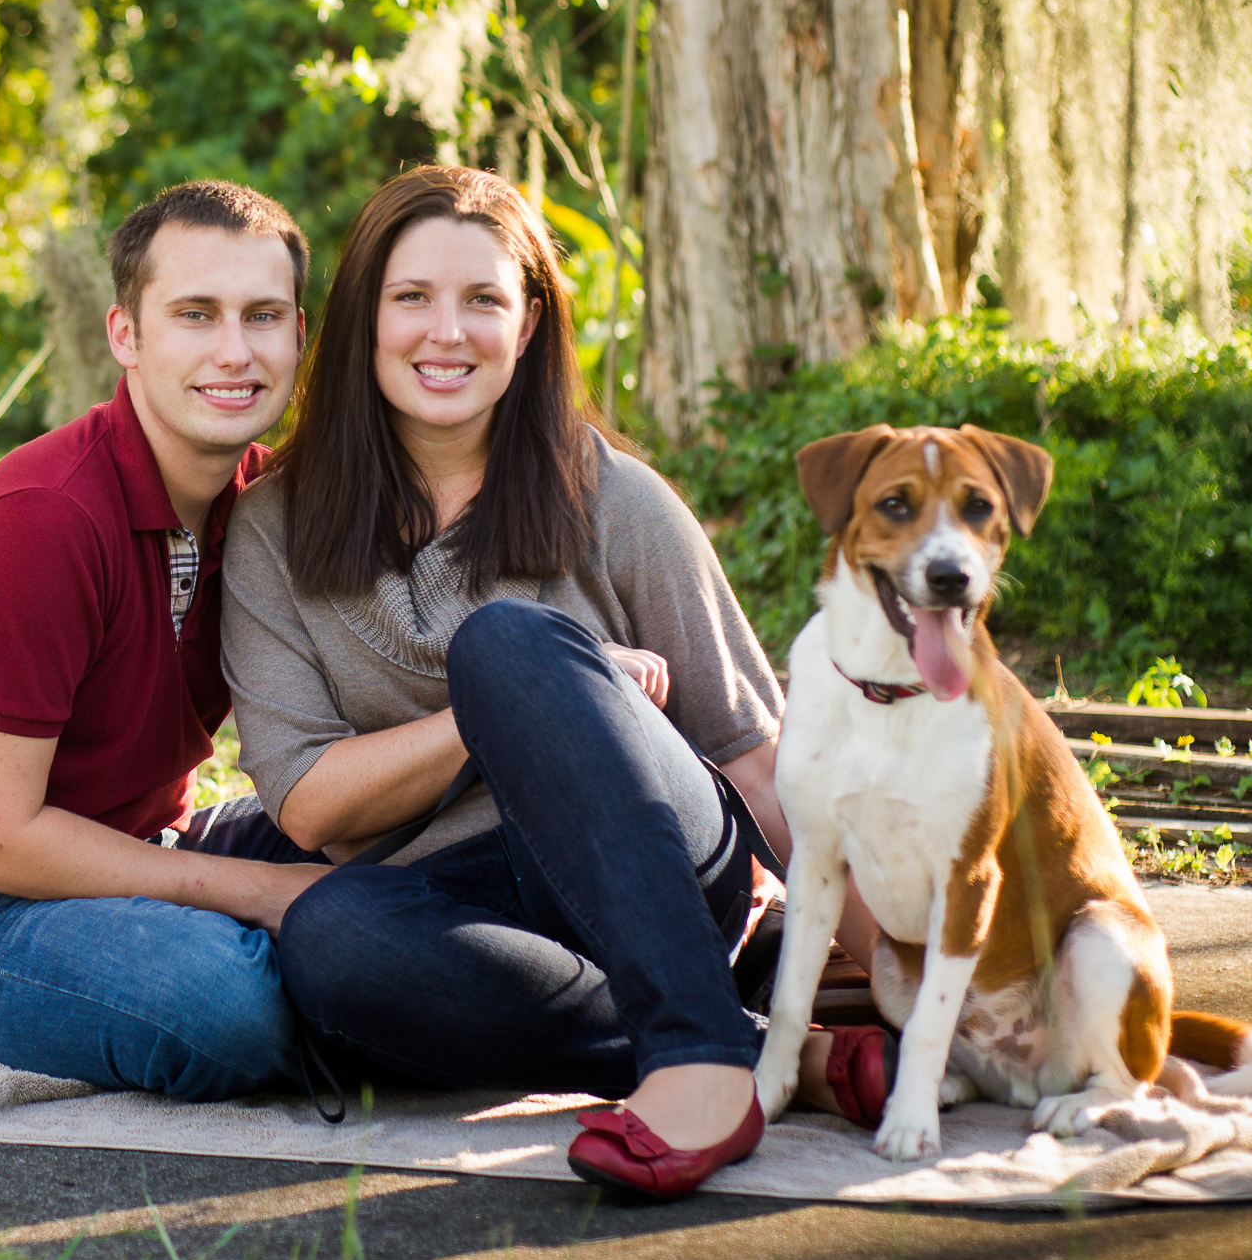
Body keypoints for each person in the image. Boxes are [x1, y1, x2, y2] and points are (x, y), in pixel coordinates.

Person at [220, 163, 888, 1198]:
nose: (447, 332)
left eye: (482, 299)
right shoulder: (272, 527)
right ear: (361, 319)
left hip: (656, 866)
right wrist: (480, 721)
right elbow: (309, 806)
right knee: (328, 937)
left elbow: (760, 764)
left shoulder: (612, 497)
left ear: (526, 324)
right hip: (467, 917)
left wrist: (908, 977)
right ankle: (759, 1051)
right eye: (412, 298)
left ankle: (694, 1070)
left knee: (507, 643)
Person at [0, 180, 337, 1101]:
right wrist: (266, 898)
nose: (235, 351)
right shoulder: (41, 522)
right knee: (223, 1007)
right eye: (195, 314)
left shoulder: (267, 507)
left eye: (262, 316)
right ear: (125, 336)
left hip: (147, 851)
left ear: (299, 334)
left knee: (443, 860)